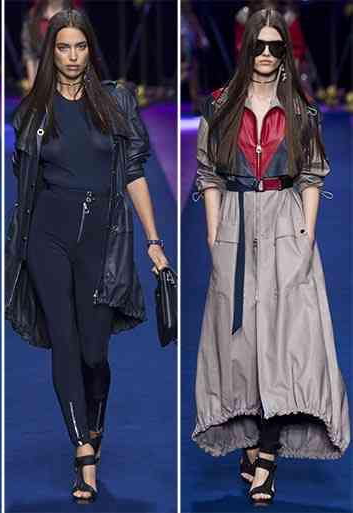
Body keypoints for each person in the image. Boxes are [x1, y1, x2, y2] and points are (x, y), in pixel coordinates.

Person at [5, 8, 169, 503]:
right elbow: (25, 184)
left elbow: (134, 172)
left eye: (80, 47)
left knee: (95, 352)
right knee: (65, 343)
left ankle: (94, 424)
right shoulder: (32, 112)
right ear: (50, 52)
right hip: (47, 237)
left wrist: (154, 242)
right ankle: (83, 453)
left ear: (90, 50)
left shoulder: (116, 101)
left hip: (102, 236)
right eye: (63, 48)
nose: (72, 56)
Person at [192, 8, 349, 506]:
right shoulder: (220, 106)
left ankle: (267, 455)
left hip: (284, 222)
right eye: (258, 46)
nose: (265, 54)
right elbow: (208, 174)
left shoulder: (301, 111)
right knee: (243, 345)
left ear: (285, 52)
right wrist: (214, 235)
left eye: (274, 46)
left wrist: (306, 237)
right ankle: (251, 439)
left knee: (284, 344)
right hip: (237, 223)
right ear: (247, 50)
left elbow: (312, 174)